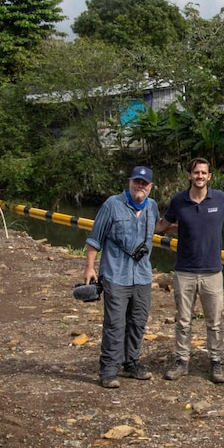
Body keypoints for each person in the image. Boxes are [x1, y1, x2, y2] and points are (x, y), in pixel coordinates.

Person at [155, 158, 224, 384]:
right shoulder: (178, 201)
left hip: (212, 272)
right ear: (189, 175)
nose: (200, 176)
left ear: (209, 176)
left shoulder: (220, 199)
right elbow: (161, 226)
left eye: (204, 173)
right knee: (183, 321)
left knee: (215, 322)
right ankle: (181, 361)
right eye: (196, 172)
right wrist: (134, 223)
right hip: (184, 271)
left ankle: (216, 362)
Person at [83, 166, 162, 389]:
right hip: (115, 274)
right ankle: (108, 370)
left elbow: (160, 227)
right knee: (115, 324)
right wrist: (89, 268)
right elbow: (94, 239)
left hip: (142, 276)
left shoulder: (152, 206)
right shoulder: (112, 204)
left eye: (144, 183)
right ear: (130, 182)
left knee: (138, 321)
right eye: (137, 182)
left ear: (150, 186)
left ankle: (131, 363)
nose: (140, 186)